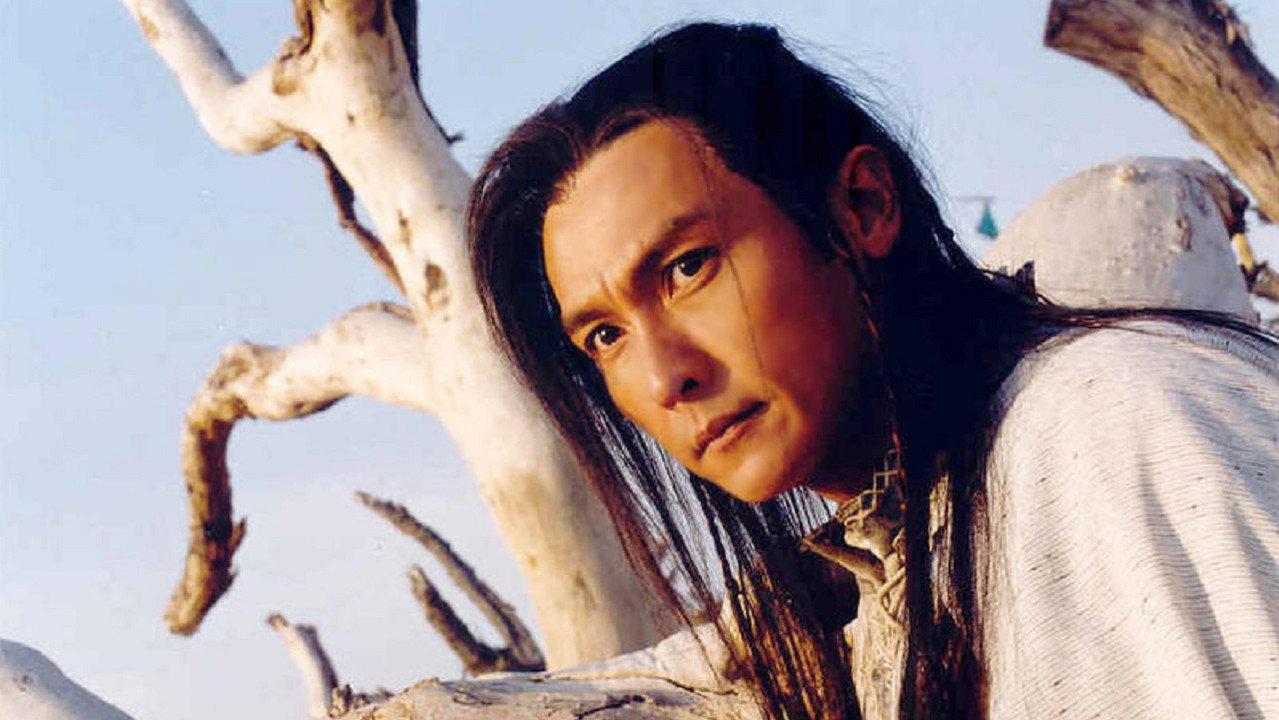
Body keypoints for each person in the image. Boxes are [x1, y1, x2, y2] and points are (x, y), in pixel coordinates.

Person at [467, 22, 1279, 720]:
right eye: (605, 335)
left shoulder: (1116, 429)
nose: (659, 379)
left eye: (687, 267)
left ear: (862, 206)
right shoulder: (856, 575)